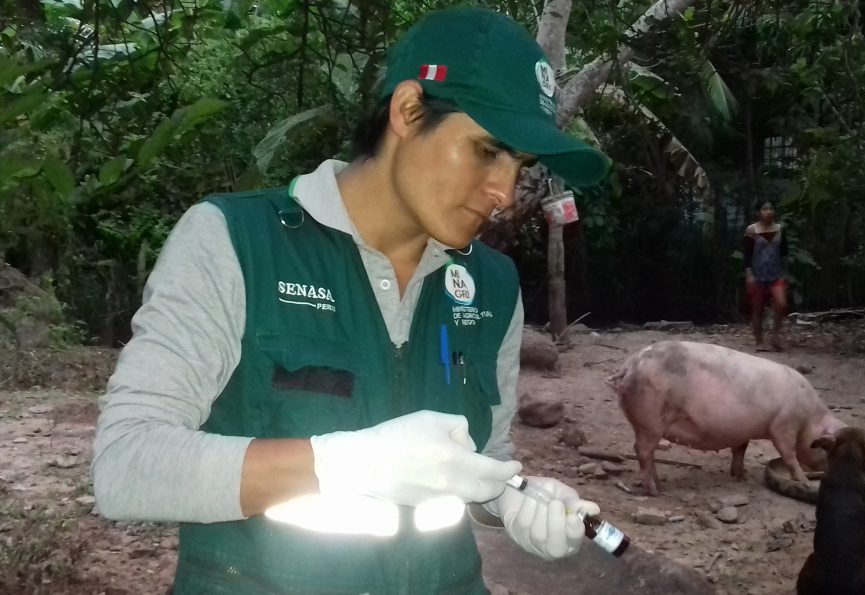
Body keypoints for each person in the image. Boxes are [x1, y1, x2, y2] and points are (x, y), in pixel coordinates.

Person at [91, 7, 610, 594]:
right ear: (409, 111)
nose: (505, 192)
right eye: (488, 151)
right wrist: (340, 464)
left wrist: (512, 504)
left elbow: (482, 457)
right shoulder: (236, 243)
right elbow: (125, 464)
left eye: (521, 166)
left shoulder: (492, 286)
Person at [743, 199, 789, 351]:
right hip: (757, 275)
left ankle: (775, 336)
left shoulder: (780, 229)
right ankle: (759, 342)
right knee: (758, 309)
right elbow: (747, 254)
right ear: (758, 212)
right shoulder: (752, 230)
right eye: (765, 209)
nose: (769, 212)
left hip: (776, 274)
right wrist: (749, 274)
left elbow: (784, 254)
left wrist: (785, 273)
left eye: (771, 208)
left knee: (781, 304)